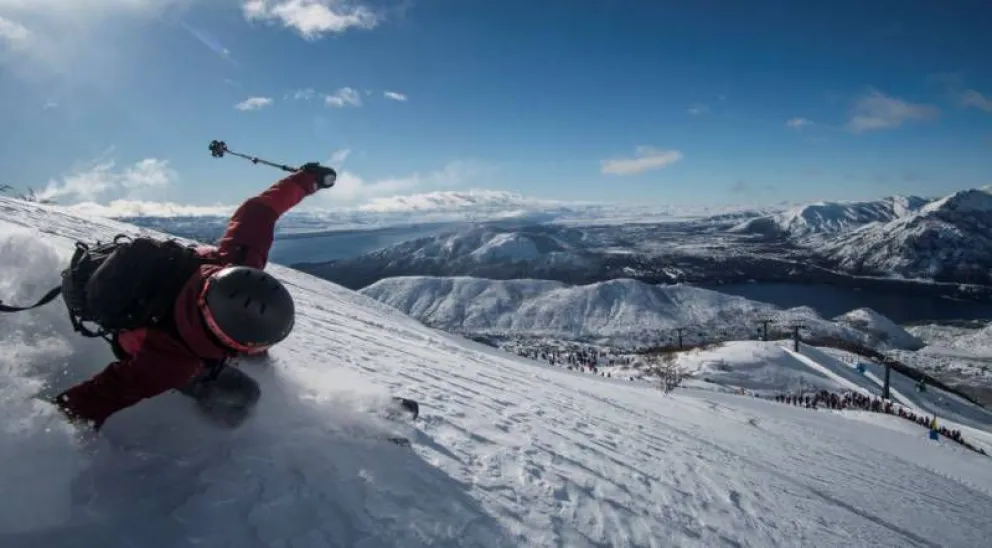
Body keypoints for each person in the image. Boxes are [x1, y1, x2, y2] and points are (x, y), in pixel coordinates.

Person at [51, 163, 337, 431]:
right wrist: (42, 432)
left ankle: (250, 359)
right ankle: (220, 437)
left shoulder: (237, 262)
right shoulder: (172, 363)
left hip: (172, 301)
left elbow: (258, 211)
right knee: (242, 395)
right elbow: (100, 395)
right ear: (226, 339)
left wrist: (307, 180)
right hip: (144, 333)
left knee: (256, 354)